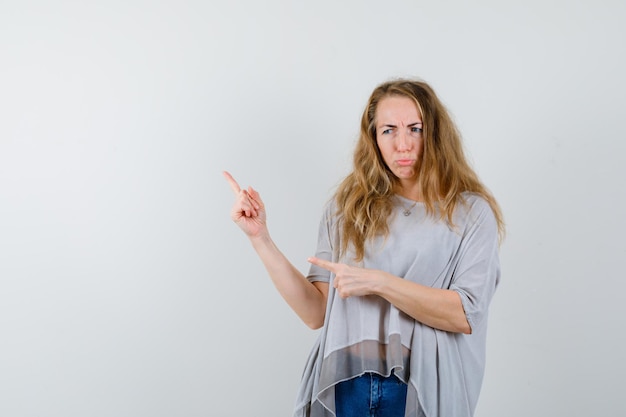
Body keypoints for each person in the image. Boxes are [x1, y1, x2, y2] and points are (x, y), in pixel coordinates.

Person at [224, 78, 504, 417]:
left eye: (414, 128)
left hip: (418, 388)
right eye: (388, 130)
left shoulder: (471, 213)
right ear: (373, 137)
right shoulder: (347, 208)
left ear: (435, 133)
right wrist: (260, 238)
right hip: (346, 384)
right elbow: (315, 314)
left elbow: (464, 314)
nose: (402, 145)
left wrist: (378, 282)